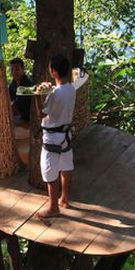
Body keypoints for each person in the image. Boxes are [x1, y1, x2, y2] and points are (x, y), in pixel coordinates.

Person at [37, 54, 76, 219]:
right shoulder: (71, 89)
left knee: (49, 171)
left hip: (52, 137)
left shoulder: (54, 94)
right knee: (65, 166)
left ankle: (53, 207)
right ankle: (65, 198)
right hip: (66, 134)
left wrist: (38, 96)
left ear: (53, 71)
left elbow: (43, 114)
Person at [8, 58, 33, 123]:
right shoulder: (13, 83)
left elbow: (16, 106)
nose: (14, 72)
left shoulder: (27, 83)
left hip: (29, 118)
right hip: (21, 117)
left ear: (23, 69)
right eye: (12, 70)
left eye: (17, 69)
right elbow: (8, 98)